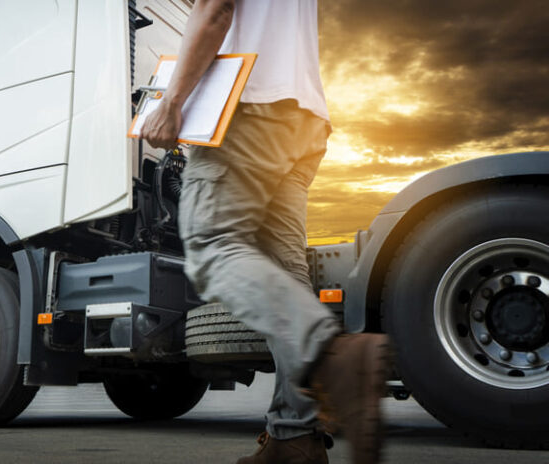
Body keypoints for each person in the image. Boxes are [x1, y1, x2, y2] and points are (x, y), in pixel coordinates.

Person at [140, 1, 390, 463]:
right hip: (303, 118)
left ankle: (331, 355)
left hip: (246, 104)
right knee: (287, 275)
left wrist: (171, 102)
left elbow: (215, 10)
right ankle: (295, 436)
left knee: (210, 245)